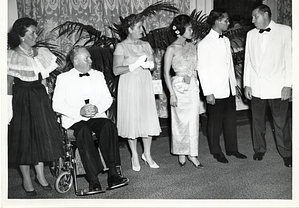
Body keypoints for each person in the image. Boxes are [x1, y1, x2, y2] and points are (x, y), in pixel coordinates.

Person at [52, 46, 129, 192]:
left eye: (90, 57)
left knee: (108, 126)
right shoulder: (63, 79)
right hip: (74, 119)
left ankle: (113, 174)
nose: (91, 60)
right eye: (86, 58)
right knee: (83, 131)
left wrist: (97, 108)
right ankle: (93, 179)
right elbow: (57, 105)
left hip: (96, 116)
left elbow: (107, 99)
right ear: (75, 61)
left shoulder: (98, 75)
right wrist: (79, 111)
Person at [7, 17, 64, 196]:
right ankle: (26, 179)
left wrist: (47, 98)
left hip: (40, 97)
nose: (35, 35)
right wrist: (8, 107)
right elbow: (8, 83)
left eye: (35, 31)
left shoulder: (41, 52)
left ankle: (40, 176)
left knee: (40, 136)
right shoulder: (11, 56)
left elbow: (45, 78)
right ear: (22, 36)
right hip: (21, 99)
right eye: (31, 32)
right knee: (24, 139)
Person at [243, 4, 292, 167]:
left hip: (277, 87)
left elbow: (290, 59)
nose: (252, 20)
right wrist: (247, 84)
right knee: (257, 122)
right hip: (257, 87)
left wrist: (288, 85)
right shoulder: (250, 34)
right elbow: (247, 61)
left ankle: (286, 152)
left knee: (281, 122)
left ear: (265, 14)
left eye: (255, 17)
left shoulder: (285, 30)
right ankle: (259, 149)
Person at [197, 8, 247, 164]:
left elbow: (228, 66)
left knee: (231, 120)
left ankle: (232, 149)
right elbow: (203, 70)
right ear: (217, 21)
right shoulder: (204, 43)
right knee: (215, 122)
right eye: (225, 20)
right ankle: (216, 151)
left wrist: (234, 86)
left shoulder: (225, 40)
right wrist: (208, 92)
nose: (228, 22)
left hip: (229, 88)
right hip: (215, 90)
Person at [113, 14, 161, 172]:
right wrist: (133, 66)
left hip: (145, 84)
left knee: (147, 118)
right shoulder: (121, 46)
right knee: (132, 119)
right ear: (130, 29)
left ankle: (147, 153)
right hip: (129, 85)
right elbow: (116, 70)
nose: (142, 30)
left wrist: (150, 65)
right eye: (139, 27)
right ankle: (134, 154)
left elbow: (153, 66)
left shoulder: (146, 45)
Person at [163, 14, 203, 168]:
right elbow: (166, 72)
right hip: (178, 87)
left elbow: (196, 67)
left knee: (193, 120)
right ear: (180, 30)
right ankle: (181, 151)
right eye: (189, 28)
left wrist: (192, 76)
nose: (192, 30)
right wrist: (171, 94)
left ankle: (192, 153)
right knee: (179, 121)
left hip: (192, 86)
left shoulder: (192, 46)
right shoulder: (171, 49)